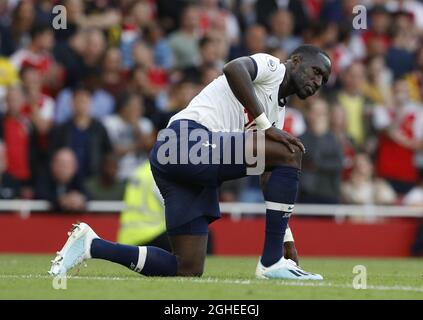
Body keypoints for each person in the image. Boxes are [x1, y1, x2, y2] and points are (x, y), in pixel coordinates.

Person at [49, 45, 331, 281]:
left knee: (186, 267)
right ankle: (270, 263)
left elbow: (271, 176)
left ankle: (91, 245)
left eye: (324, 79)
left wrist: (286, 238)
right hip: (186, 140)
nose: (317, 82)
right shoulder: (272, 66)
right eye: (316, 71)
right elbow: (233, 67)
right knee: (291, 151)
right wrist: (265, 125)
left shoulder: (277, 113)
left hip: (184, 164)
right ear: (295, 61)